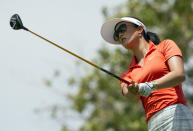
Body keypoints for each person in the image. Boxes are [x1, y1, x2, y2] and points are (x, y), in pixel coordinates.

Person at [100, 17, 193, 131]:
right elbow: (132, 97)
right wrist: (133, 90)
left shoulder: (165, 46)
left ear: (139, 29)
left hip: (175, 113)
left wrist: (150, 85)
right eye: (116, 34)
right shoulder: (127, 75)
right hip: (153, 124)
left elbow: (179, 74)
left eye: (122, 29)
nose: (119, 35)